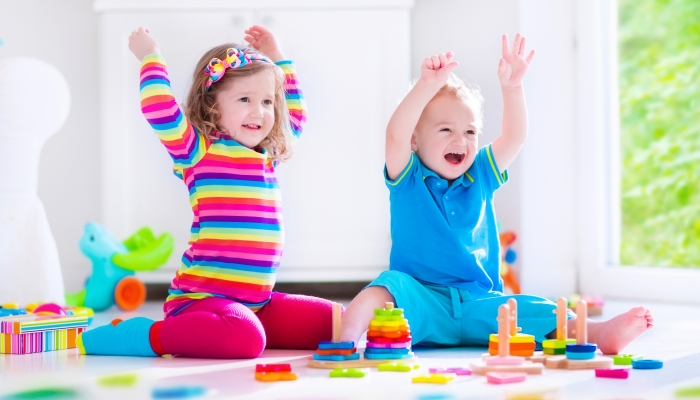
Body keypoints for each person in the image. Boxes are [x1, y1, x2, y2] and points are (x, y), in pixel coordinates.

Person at [339, 34, 653, 355]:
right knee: (383, 288)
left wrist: (513, 87)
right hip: (420, 301)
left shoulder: (482, 173)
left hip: (482, 304)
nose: (460, 140)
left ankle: (599, 333)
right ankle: (345, 340)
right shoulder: (408, 178)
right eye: (446, 130)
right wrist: (427, 85)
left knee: (536, 308)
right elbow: (395, 134)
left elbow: (514, 137)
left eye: (470, 131)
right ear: (415, 140)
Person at [78, 26, 337, 358]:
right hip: (200, 304)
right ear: (213, 106)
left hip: (258, 304)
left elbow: (295, 113)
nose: (259, 111)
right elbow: (159, 108)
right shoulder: (198, 150)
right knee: (245, 338)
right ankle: (148, 335)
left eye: (267, 101)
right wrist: (150, 55)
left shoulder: (269, 155)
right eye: (245, 99)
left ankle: (245, 328)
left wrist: (278, 56)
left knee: (338, 322)